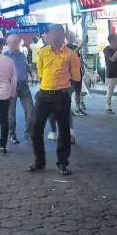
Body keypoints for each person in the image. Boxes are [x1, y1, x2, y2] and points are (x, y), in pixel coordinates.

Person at [27, 24, 80, 176]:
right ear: (48, 36)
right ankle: (39, 162)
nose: (55, 37)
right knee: (35, 128)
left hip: (62, 96)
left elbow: (75, 77)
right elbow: (41, 73)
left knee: (63, 130)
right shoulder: (43, 53)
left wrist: (64, 90)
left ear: (63, 36)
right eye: (52, 34)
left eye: (58, 34)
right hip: (44, 95)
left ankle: (63, 163)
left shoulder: (70, 54)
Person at [5, 34, 34, 144]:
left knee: (30, 110)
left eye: (17, 42)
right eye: (12, 43)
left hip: (23, 85)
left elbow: (25, 67)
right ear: (8, 44)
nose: (15, 45)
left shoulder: (23, 55)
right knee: (11, 113)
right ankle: (12, 134)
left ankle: (29, 133)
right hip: (11, 86)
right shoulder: (5, 56)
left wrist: (30, 76)